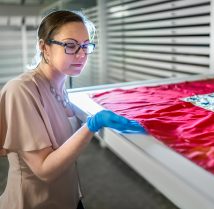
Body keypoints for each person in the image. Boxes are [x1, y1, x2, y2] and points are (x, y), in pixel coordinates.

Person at [0, 10, 145, 209]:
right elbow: (44, 170)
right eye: (70, 45)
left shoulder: (60, 83)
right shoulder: (21, 90)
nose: (82, 54)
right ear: (45, 47)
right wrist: (92, 124)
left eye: (86, 45)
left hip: (68, 198)